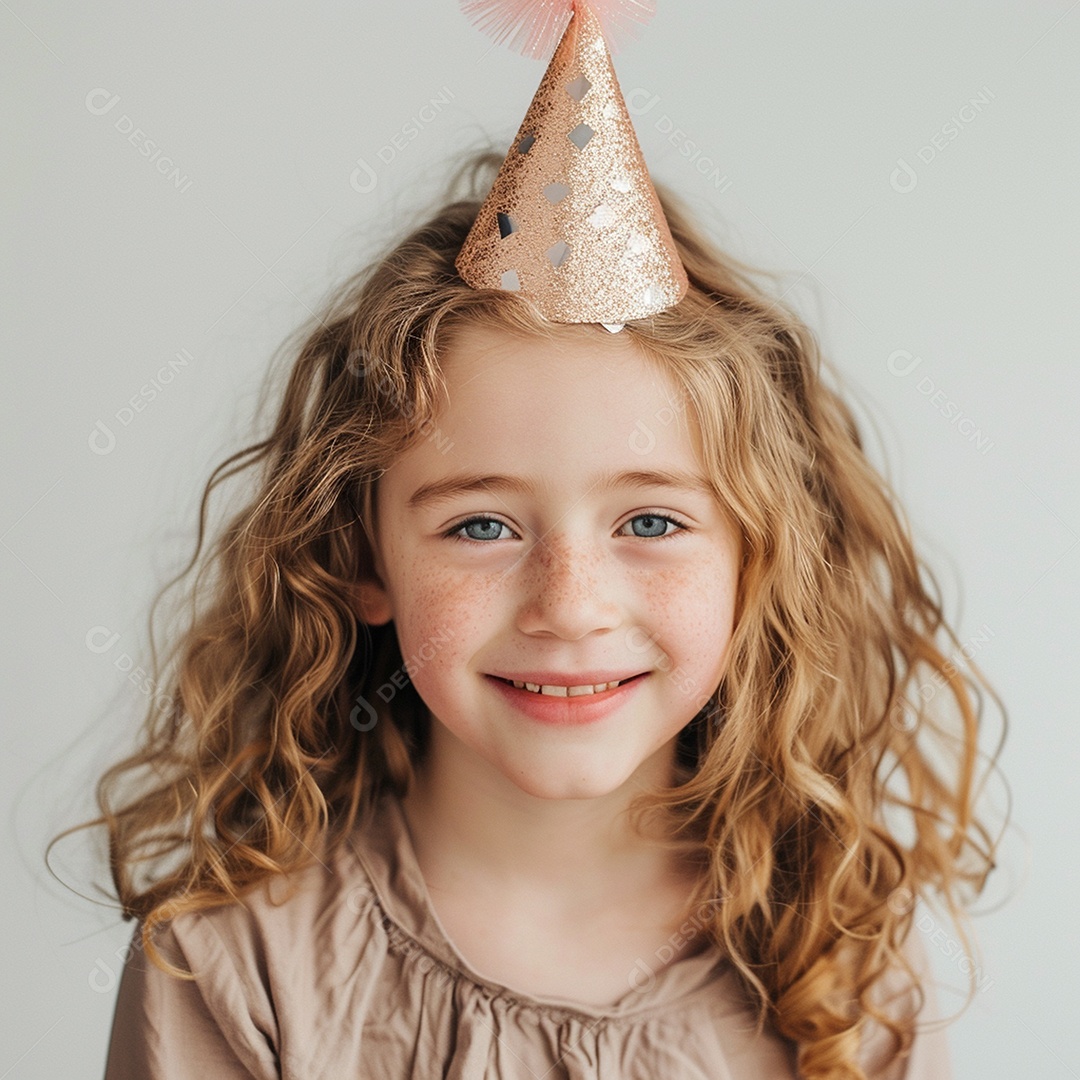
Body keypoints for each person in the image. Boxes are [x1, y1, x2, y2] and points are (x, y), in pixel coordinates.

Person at [50, 140, 1006, 1079]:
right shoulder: (235, 966)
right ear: (359, 555)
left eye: (650, 519)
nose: (570, 606)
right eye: (480, 527)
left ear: (757, 558)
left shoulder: (837, 964)